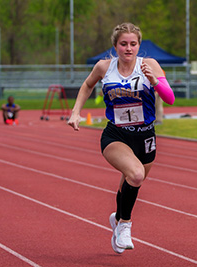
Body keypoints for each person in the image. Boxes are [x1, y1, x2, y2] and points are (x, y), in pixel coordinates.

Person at [67, 23, 175, 254]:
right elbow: (87, 85)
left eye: (133, 44)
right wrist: (76, 112)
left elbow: (170, 98)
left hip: (145, 136)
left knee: (131, 181)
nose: (128, 48)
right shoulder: (104, 67)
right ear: (115, 46)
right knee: (135, 175)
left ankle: (117, 216)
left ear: (139, 46)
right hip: (115, 134)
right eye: (123, 44)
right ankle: (124, 224)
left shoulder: (150, 65)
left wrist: (154, 81)